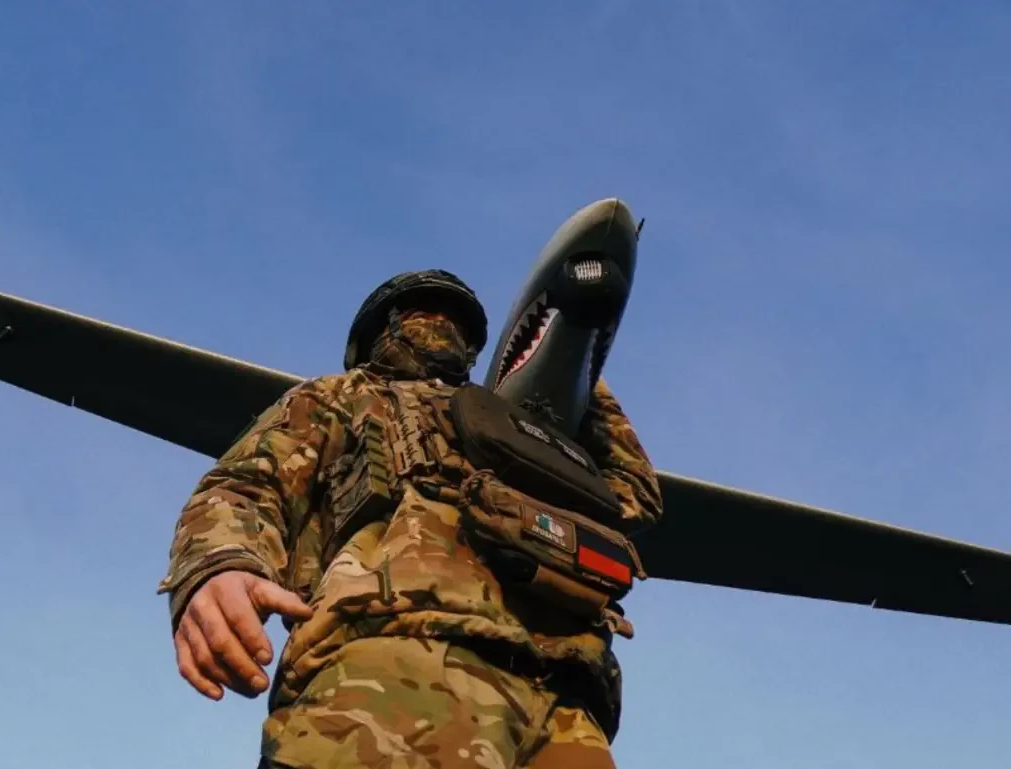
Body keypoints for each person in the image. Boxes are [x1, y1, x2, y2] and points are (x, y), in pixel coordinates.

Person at [157, 270, 663, 768]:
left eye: (454, 321)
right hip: (404, 654)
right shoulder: (344, 395)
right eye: (421, 314)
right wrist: (221, 562)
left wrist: (575, 356)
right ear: (383, 331)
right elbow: (248, 483)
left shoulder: (507, 424)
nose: (439, 328)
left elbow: (629, 498)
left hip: (569, 692)